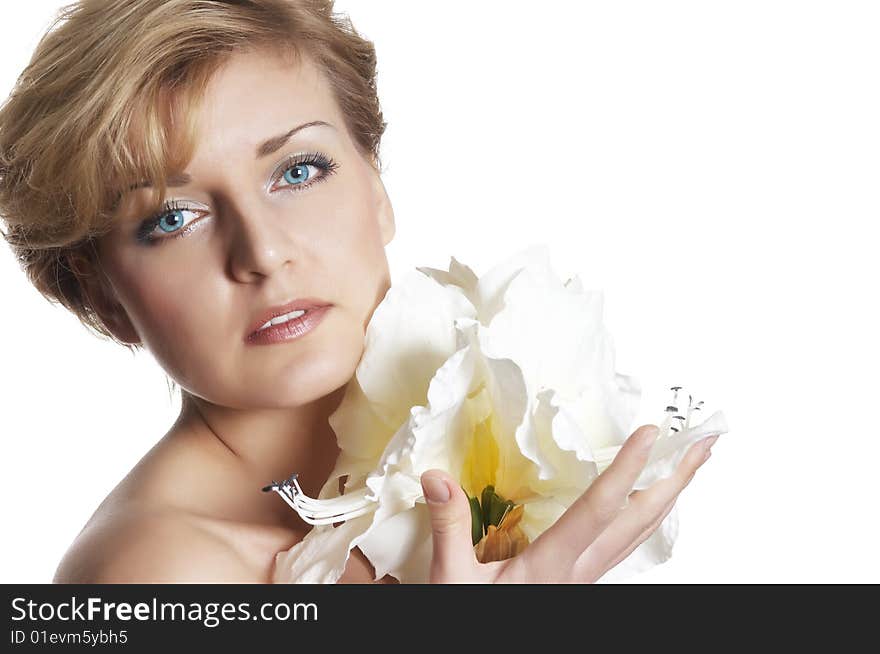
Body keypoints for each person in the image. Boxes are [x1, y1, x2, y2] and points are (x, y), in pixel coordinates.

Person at [0, 0, 717, 584]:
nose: (265, 252)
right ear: (101, 297)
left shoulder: (482, 463)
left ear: (377, 188)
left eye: (299, 171)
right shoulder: (154, 575)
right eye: (172, 217)